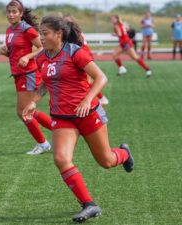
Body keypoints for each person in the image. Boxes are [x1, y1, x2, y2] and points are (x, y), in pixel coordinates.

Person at [22, 16, 134, 222]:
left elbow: (101, 78)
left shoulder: (75, 53)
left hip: (88, 114)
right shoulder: (41, 58)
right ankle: (89, 204)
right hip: (62, 118)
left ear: (59, 33)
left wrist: (87, 100)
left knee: (106, 161)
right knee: (61, 159)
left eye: (45, 33)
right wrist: (34, 101)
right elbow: (47, 83)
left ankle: (124, 154)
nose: (41, 38)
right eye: (40, 34)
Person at [0, 0, 52, 155]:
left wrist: (28, 57)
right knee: (26, 111)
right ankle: (60, 129)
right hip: (17, 74)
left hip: (28, 74)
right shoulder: (10, 30)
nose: (11, 14)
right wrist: (7, 52)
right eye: (9, 11)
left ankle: (44, 143)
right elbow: (15, 52)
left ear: (21, 13)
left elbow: (42, 47)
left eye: (14, 11)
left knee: (24, 111)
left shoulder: (26, 29)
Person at [63, 15, 109, 107]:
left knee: (88, 81)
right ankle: (99, 99)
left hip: (84, 57)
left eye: (67, 21)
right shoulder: (75, 32)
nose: (65, 23)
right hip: (84, 55)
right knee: (87, 81)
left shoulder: (75, 33)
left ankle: (100, 99)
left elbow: (78, 46)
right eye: (64, 20)